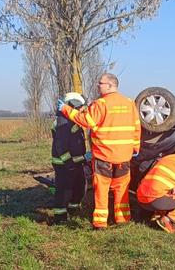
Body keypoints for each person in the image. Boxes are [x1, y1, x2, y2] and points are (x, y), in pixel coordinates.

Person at [58, 73, 140, 229]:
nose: (98, 85)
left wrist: (65, 109)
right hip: (124, 156)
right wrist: (135, 147)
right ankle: (122, 220)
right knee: (121, 189)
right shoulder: (129, 103)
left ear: (110, 85)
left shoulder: (101, 103)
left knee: (102, 189)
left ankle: (100, 222)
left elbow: (85, 121)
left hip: (104, 156)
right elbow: (137, 127)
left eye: (100, 83)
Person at [50, 92, 87, 224]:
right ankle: (60, 217)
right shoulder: (63, 121)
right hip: (64, 164)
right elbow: (60, 145)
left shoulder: (72, 119)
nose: (83, 109)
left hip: (76, 162)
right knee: (64, 189)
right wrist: (68, 162)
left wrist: (83, 158)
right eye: (81, 107)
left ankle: (73, 209)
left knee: (79, 186)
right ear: (74, 105)